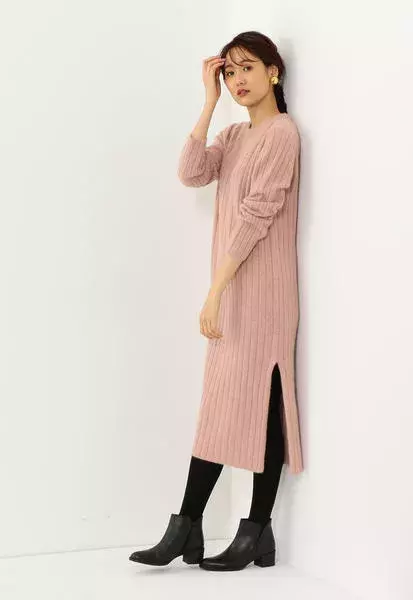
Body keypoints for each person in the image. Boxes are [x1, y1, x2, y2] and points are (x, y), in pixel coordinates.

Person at [129, 31, 303, 572]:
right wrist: (207, 104)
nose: (237, 80)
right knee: (222, 404)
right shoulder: (232, 134)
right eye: (229, 72)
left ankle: (254, 528)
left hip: (263, 291)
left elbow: (256, 216)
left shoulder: (282, 134)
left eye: (247, 67)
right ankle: (189, 524)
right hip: (230, 288)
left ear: (274, 71)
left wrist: (214, 289)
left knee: (263, 403)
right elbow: (191, 173)